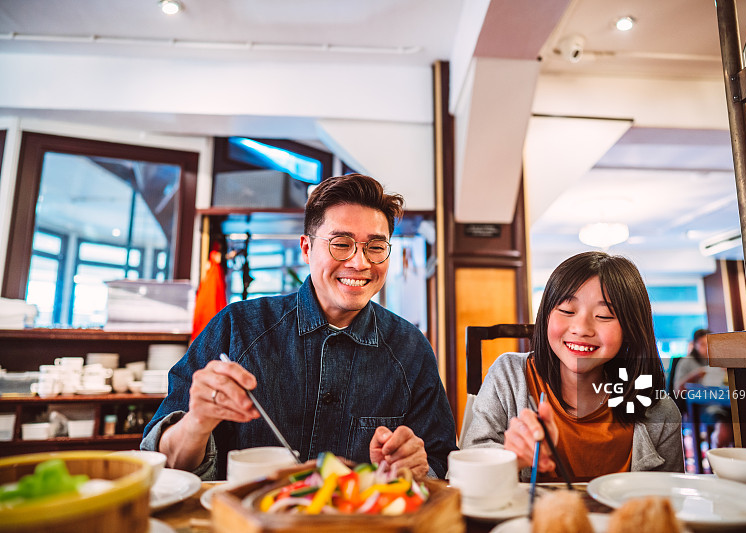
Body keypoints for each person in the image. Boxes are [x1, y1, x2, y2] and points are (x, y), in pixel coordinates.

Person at [141, 174, 457, 480]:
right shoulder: (237, 328)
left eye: (375, 247)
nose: (360, 263)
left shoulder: (410, 348)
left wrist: (418, 467)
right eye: (341, 243)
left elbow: (439, 463)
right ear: (306, 248)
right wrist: (197, 422)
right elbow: (161, 462)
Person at [461, 251, 683, 481]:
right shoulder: (509, 375)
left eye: (604, 315)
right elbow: (463, 469)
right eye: (567, 311)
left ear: (630, 329)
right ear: (546, 315)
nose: (581, 328)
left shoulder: (660, 413)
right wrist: (509, 458)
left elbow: (670, 504)